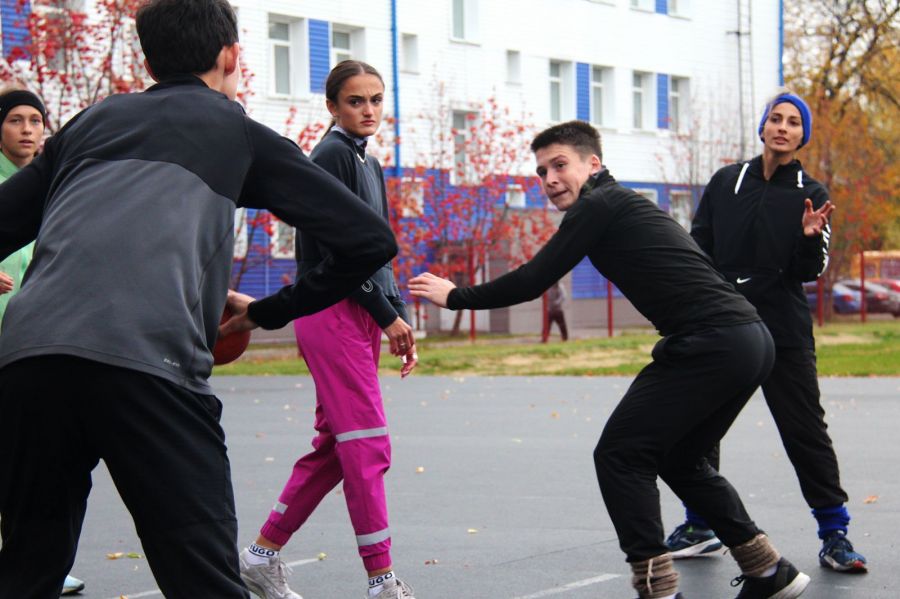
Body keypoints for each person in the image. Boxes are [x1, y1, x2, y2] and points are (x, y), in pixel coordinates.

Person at [0, 1, 398, 597]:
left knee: (27, 571)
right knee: (204, 578)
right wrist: (268, 311)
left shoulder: (89, 122)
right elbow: (370, 240)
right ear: (231, 55)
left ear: (148, 58)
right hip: (148, 365)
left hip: (30, 359)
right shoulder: (235, 130)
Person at [410, 120, 815, 599]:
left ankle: (657, 589)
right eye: (541, 172)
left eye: (560, 165)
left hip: (713, 340)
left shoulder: (598, 205)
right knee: (683, 460)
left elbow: (533, 278)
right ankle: (768, 570)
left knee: (620, 455)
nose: (550, 179)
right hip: (749, 338)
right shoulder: (621, 205)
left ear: (593, 164)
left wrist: (456, 295)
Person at [664, 91, 867, 573]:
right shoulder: (724, 181)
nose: (782, 127)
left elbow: (811, 271)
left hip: (783, 332)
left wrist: (808, 238)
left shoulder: (812, 194)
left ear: (802, 136)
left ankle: (835, 534)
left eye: (793, 122)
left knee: (804, 434)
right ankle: (701, 525)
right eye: (775, 118)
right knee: (700, 425)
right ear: (762, 128)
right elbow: (699, 250)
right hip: (724, 326)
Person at [239, 60, 416, 599]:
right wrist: (386, 314)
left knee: (338, 447)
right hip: (331, 311)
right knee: (367, 444)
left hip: (360, 312)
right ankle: (382, 581)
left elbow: (376, 249)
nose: (368, 110)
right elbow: (337, 257)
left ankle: (259, 556)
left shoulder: (370, 161)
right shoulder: (330, 156)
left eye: (376, 100)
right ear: (332, 107)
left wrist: (393, 311)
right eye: (356, 101)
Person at [0, 88, 87, 598]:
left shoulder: (56, 182)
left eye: (36, 119)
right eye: (15, 120)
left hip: (41, 335)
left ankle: (37, 560)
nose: (29, 129)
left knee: (32, 458)